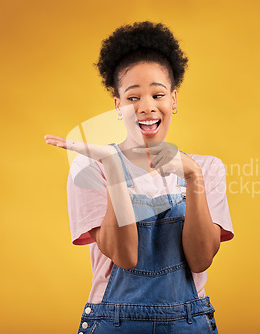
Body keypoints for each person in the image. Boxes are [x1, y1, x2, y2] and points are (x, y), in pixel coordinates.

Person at [44, 21, 234, 333]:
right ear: (117, 105)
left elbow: (200, 260)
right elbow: (125, 256)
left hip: (190, 324)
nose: (147, 107)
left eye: (158, 95)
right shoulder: (90, 167)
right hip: (114, 323)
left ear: (173, 99)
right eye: (133, 98)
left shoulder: (206, 167)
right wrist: (113, 166)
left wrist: (194, 177)